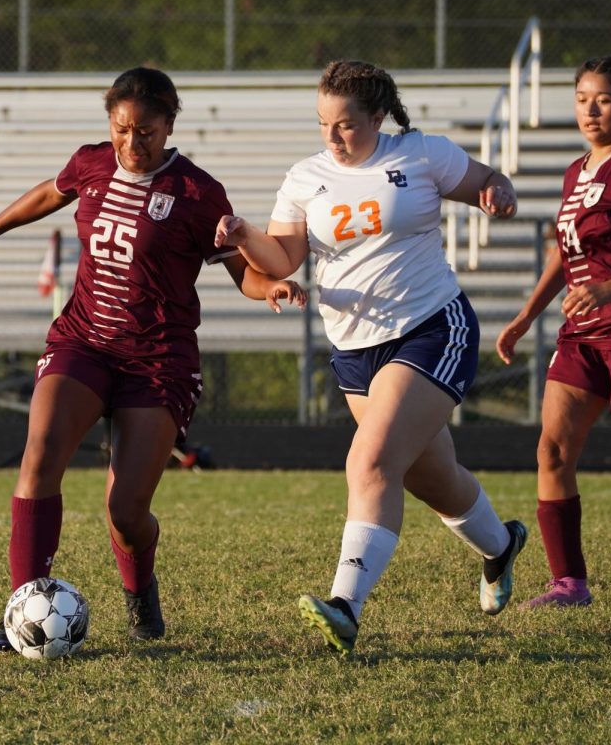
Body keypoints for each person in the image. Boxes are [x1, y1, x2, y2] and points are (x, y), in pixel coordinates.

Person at [0, 66, 306, 650]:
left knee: (125, 509)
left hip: (158, 359)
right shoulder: (92, 162)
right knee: (39, 456)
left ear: (170, 125)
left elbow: (242, 274)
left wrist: (268, 287)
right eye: (121, 129)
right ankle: (22, 609)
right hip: (83, 340)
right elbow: (52, 191)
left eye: (145, 131)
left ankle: (141, 593)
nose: (131, 143)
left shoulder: (198, 193)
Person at [216, 60, 527, 655]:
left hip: (432, 328)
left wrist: (498, 191)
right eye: (323, 124)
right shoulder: (306, 176)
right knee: (431, 478)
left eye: (346, 125)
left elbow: (487, 179)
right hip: (355, 349)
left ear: (377, 117)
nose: (332, 137)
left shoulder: (421, 153)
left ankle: (346, 606)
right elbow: (280, 259)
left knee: (370, 461)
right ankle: (500, 545)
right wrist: (241, 234)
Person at [496, 55, 611, 608]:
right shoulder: (576, 171)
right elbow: (567, 253)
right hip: (583, 335)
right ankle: (568, 583)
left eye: (604, 99)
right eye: (583, 98)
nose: (590, 109)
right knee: (553, 452)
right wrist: (527, 315)